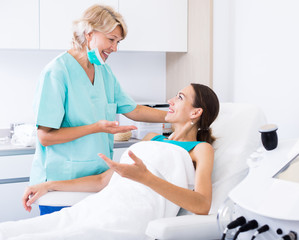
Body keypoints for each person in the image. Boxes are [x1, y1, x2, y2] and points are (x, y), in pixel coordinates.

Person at [0, 83, 219, 240]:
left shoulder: (201, 150)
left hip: (131, 217)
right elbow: (102, 181)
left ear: (196, 112)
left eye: (179, 97)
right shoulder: (151, 139)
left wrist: (146, 178)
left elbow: (201, 205)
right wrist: (48, 185)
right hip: (100, 206)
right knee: (14, 230)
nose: (170, 101)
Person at [30, 3, 167, 211]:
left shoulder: (104, 72)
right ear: (89, 33)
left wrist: (174, 117)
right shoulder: (57, 72)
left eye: (118, 42)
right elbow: (45, 137)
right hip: (59, 185)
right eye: (111, 40)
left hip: (97, 181)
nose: (115, 48)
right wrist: (96, 127)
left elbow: (133, 110)